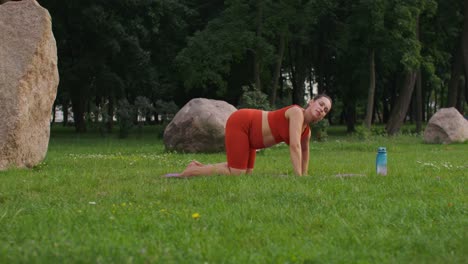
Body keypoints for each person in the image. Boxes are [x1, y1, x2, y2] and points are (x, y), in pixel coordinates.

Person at [167, 94, 332, 177]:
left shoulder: (307, 131)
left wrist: (305, 174)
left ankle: (199, 166)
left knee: (246, 174)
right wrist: (299, 178)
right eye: (321, 104)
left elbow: (305, 153)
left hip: (253, 139)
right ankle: (190, 172)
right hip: (243, 123)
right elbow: (295, 146)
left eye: (325, 110)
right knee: (236, 173)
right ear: (311, 102)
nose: (322, 109)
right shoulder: (297, 112)